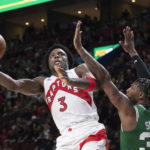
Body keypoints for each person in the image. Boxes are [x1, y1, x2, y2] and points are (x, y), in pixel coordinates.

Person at [57, 20, 150, 150]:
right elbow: (147, 84)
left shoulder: (131, 111)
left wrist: (80, 49)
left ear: (141, 95)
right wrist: (133, 53)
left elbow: (104, 78)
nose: (128, 89)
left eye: (132, 87)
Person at [0, 42, 108, 148]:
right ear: (48, 63)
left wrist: (69, 81)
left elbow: (96, 85)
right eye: (52, 56)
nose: (56, 55)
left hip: (89, 130)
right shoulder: (43, 82)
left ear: (68, 60)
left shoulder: (79, 70)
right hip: (65, 139)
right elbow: (15, 85)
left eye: (61, 54)